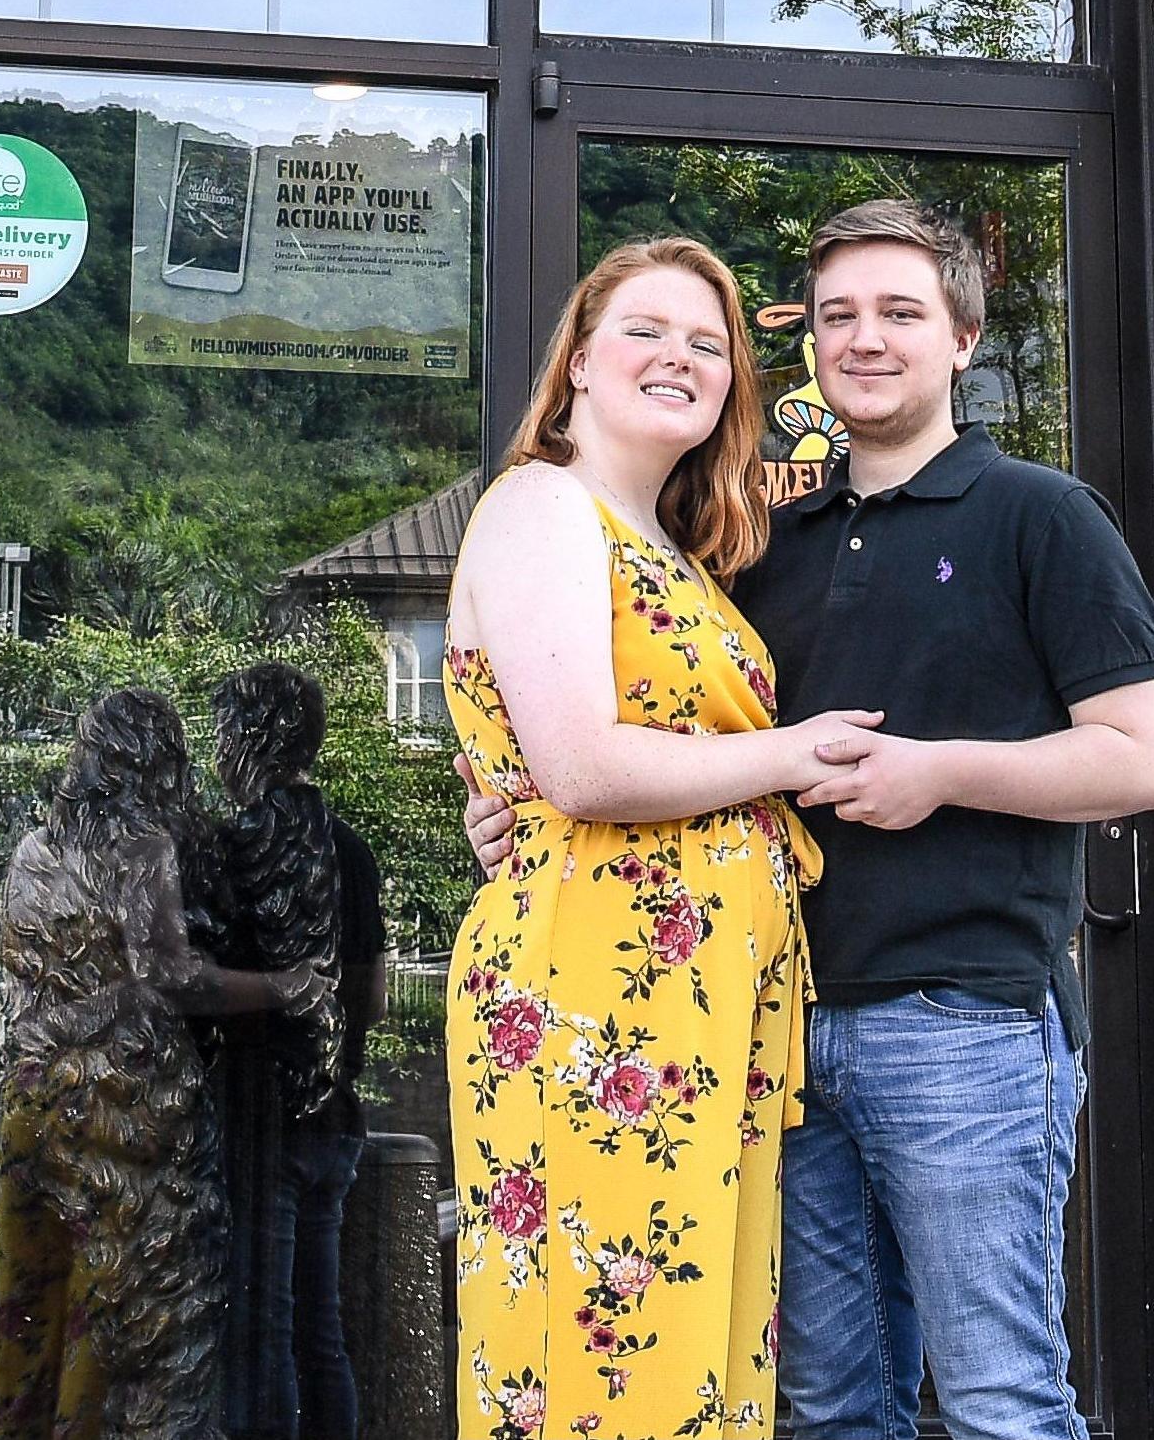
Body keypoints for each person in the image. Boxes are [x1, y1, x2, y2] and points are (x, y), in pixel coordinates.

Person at [467, 204, 1154, 1440]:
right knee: (831, 1405)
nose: (866, 339)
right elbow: (626, 716)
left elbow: (1139, 762)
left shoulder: (1043, 515)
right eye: (838, 316)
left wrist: (939, 773)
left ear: (963, 339)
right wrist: (510, 803)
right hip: (768, 1032)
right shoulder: (754, 546)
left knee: (1002, 1396)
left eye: (901, 312)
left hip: (961, 1021)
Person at [442, 238, 883, 1440]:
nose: (678, 357)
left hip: (691, 1003)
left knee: (684, 1357)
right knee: (602, 1358)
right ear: (579, 362)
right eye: (644, 330)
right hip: (595, 996)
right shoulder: (544, 505)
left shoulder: (677, 552)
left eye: (707, 342)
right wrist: (792, 755)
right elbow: (583, 768)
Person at [0, 687, 321, 1440]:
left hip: (32, 1096)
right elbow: (173, 976)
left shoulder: (33, 849)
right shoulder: (141, 849)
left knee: (27, 1307)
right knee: (124, 1315)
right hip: (122, 1105)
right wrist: (283, 986)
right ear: (156, 763)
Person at [203, 661, 381, 1440]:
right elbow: (374, 997)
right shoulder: (351, 848)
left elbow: (193, 986)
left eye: (222, 732)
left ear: (249, 739)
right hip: (334, 1116)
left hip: (256, 1115)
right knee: (320, 1329)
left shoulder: (232, 846)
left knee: (261, 1330)